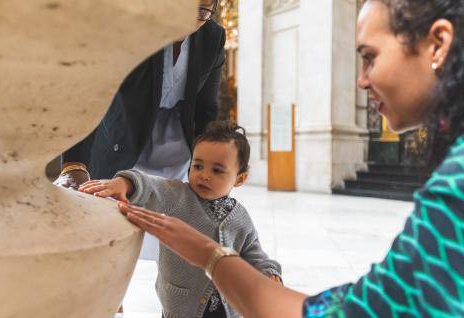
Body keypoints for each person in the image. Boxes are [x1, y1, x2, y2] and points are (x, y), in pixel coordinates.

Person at [116, 0, 464, 317]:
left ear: (437, 43)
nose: (360, 80)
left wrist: (210, 255)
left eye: (370, 57)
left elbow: (363, 309)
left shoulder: (456, 184)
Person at [55, 0, 225, 262]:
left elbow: (206, 109)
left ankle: (170, 295)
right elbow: (90, 90)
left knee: (170, 231)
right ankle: (110, 291)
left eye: (202, 10)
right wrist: (74, 163)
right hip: (124, 134)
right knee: (108, 224)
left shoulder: (212, 36)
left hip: (176, 146)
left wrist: (214, 163)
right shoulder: (133, 25)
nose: (188, 17)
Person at [80, 121, 282, 318]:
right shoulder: (177, 196)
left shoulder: (241, 217)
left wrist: (269, 273)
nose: (204, 175)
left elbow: (254, 253)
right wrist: (126, 183)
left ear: (240, 178)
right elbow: (151, 185)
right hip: (182, 307)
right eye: (198, 165)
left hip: (229, 307)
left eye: (217, 170)